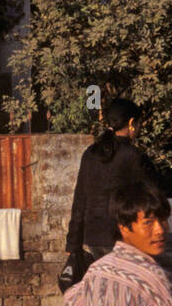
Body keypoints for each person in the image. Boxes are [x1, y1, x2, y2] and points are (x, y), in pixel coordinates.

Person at [63, 98, 163, 283]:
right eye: (139, 124)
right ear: (132, 123)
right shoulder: (134, 157)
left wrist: (73, 242)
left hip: (93, 237)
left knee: (106, 288)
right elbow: (152, 198)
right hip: (121, 237)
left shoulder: (90, 154)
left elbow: (80, 199)